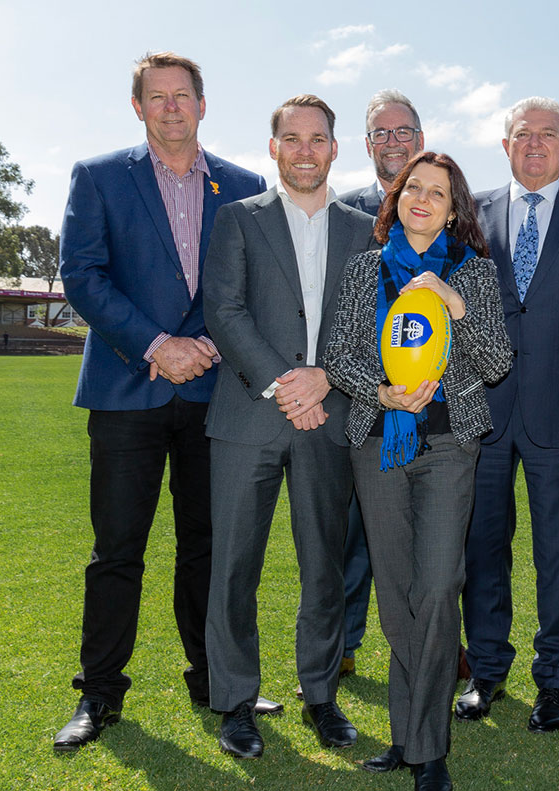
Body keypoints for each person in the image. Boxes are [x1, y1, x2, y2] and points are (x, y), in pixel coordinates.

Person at [54, 51, 268, 751]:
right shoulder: (98, 177)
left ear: (203, 107)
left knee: (209, 546)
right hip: (126, 390)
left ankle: (216, 680)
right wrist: (156, 345)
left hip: (215, 394)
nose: (172, 106)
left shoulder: (243, 186)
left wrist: (199, 343)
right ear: (139, 106)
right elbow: (82, 276)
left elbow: (247, 285)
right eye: (158, 96)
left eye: (184, 96)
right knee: (117, 548)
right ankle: (99, 693)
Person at [324, 151, 512, 791]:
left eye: (438, 192)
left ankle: (427, 747)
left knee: (437, 586)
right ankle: (411, 739)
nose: (423, 200)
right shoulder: (364, 272)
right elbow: (339, 357)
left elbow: (494, 364)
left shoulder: (476, 275)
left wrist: (455, 305)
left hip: (448, 446)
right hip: (376, 442)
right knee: (396, 593)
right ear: (397, 199)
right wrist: (378, 393)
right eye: (413, 189)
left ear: (455, 208)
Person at [202, 95, 375, 759]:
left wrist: (324, 379)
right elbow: (225, 310)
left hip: (326, 419)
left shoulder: (364, 230)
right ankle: (236, 702)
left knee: (324, 568)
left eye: (318, 139)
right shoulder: (238, 220)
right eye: (292, 138)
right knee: (234, 567)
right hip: (249, 417)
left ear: (335, 148)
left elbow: (369, 325)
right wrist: (285, 383)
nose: (305, 149)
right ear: (273, 147)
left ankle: (322, 695)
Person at [457, 97, 559, 734]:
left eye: (548, 135)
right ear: (505, 144)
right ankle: (487, 671)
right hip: (485, 411)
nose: (535, 145)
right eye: (523, 134)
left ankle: (555, 680)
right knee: (483, 548)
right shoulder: (469, 215)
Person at [333, 88, 426, 679]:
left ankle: (434, 644)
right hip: (362, 399)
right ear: (367, 145)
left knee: (436, 535)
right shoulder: (346, 214)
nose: (393, 142)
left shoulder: (449, 206)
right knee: (353, 536)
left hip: (436, 401)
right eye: (381, 133)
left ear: (421, 137)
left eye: (403, 131)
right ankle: (341, 646)